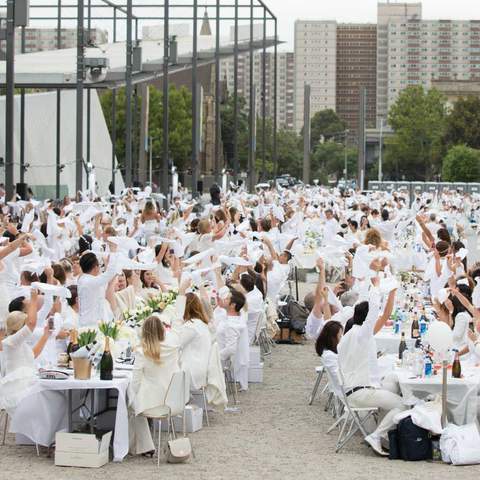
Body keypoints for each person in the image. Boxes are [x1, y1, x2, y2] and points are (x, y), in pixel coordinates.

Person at [338, 280, 404, 456]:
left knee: (391, 385)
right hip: (361, 393)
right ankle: (377, 436)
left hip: (351, 390)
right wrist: (376, 287)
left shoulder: (348, 335)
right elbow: (374, 311)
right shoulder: (362, 334)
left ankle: (385, 438)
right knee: (404, 404)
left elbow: (369, 310)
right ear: (366, 319)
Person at [128, 314, 181, 456]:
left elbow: (135, 381)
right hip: (174, 398)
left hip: (154, 402)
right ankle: (141, 445)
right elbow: (177, 324)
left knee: (130, 403)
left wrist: (130, 397)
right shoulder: (173, 347)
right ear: (163, 331)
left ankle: (144, 446)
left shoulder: (142, 352)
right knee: (135, 402)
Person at [77, 248, 119, 328]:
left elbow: (105, 281)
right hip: (90, 324)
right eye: (99, 265)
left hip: (98, 320)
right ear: (96, 267)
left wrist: (106, 262)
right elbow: (110, 273)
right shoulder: (89, 281)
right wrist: (113, 250)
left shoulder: (86, 279)